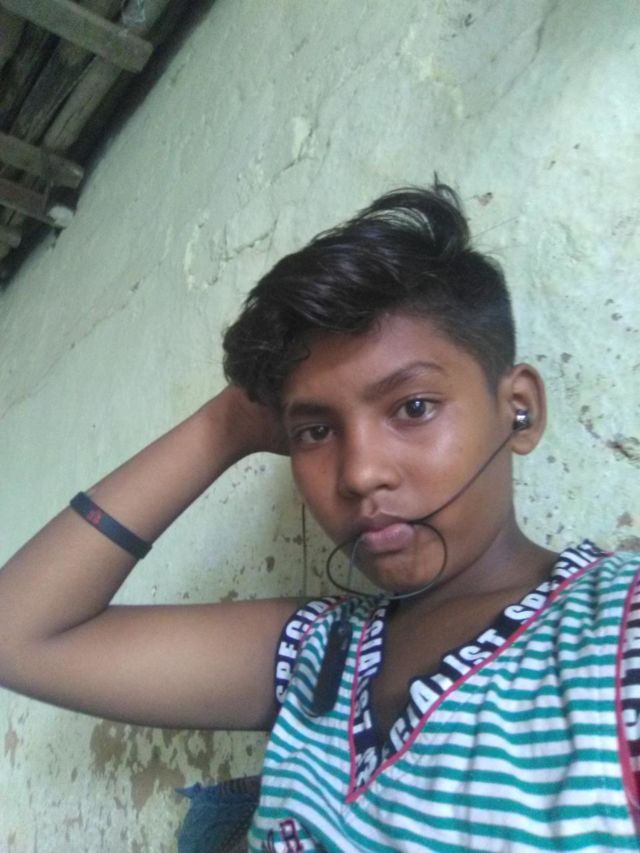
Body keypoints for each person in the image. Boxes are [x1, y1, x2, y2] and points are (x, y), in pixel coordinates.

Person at [0, 184, 638, 852]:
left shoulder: (614, 634)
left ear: (520, 410)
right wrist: (225, 424)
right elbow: (20, 635)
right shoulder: (318, 653)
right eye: (315, 431)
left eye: (413, 407)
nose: (360, 473)